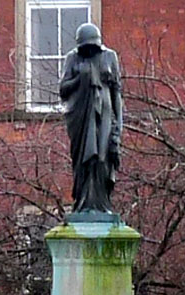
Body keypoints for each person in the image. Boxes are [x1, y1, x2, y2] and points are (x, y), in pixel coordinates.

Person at [60, 23, 122, 213]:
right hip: (80, 115)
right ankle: (83, 204)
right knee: (83, 161)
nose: (89, 50)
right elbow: (63, 90)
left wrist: (118, 127)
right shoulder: (72, 58)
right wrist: (81, 78)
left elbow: (116, 94)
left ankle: (101, 205)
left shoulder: (110, 57)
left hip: (104, 113)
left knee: (102, 158)